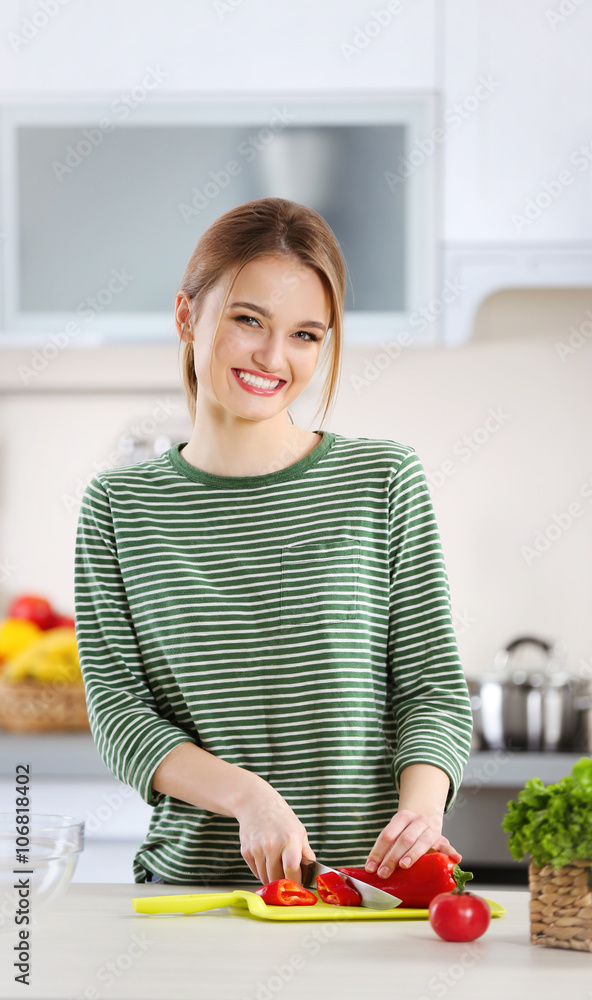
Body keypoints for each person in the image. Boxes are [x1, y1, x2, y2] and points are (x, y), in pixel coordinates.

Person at [74, 196, 473, 889]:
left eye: (305, 335)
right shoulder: (118, 507)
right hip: (197, 897)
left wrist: (420, 812)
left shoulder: (382, 480)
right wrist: (248, 799)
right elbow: (120, 716)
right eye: (247, 320)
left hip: (370, 895)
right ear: (185, 316)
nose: (272, 356)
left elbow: (430, 690)